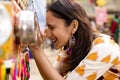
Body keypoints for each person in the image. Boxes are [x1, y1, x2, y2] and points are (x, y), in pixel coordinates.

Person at [29, 0, 120, 80]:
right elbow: (52, 75)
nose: (47, 34)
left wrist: (37, 50)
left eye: (52, 27)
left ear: (73, 26)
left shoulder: (103, 49)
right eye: (47, 27)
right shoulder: (72, 49)